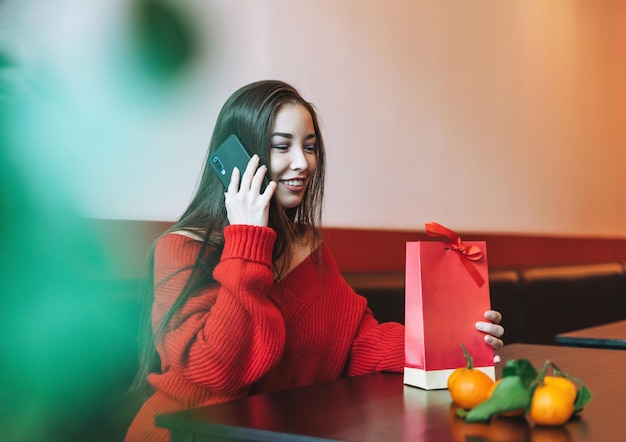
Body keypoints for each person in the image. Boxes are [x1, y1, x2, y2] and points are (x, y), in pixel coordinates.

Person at [125, 80, 504, 441]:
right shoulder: (180, 249)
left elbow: (356, 341)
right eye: (281, 146)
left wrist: (454, 341)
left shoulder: (307, 246)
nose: (302, 163)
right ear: (240, 156)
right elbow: (220, 368)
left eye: (309, 147)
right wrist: (247, 240)